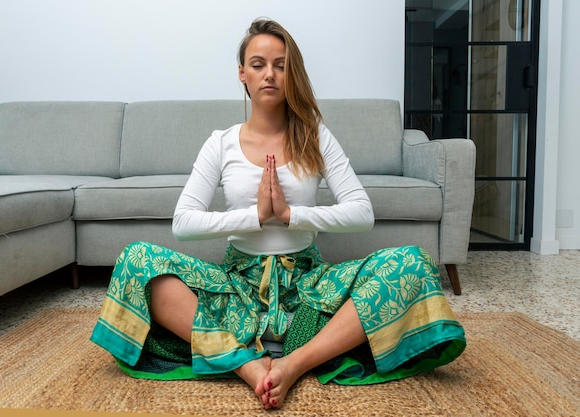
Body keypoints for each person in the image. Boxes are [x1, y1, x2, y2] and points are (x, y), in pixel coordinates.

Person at [91, 18, 466, 410]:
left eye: (281, 64)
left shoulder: (315, 135)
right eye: (258, 64)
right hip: (236, 289)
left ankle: (292, 364)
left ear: (292, 73)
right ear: (242, 74)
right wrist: (254, 216)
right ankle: (249, 366)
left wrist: (289, 215)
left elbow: (362, 212)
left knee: (411, 262)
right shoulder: (220, 143)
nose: (269, 74)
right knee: (136, 259)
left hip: (309, 290)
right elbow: (183, 223)